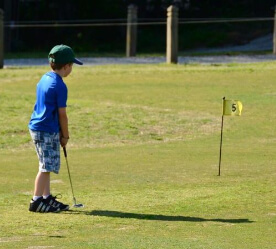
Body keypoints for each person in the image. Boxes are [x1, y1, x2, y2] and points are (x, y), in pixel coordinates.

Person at [28, 45, 83, 213]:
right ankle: (36, 201)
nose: (71, 69)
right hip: (46, 129)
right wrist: (65, 135)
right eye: (71, 66)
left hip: (38, 126)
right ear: (66, 66)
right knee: (46, 166)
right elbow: (62, 115)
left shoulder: (45, 78)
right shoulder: (59, 86)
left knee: (47, 164)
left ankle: (46, 198)